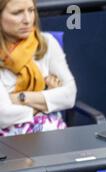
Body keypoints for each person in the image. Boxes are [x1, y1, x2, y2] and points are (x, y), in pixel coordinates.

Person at [0, 0, 77, 136]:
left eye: (31, 10)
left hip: (49, 132)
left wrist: (20, 98)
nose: (28, 20)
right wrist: (49, 99)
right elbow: (3, 116)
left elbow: (69, 95)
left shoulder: (47, 42)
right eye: (17, 13)